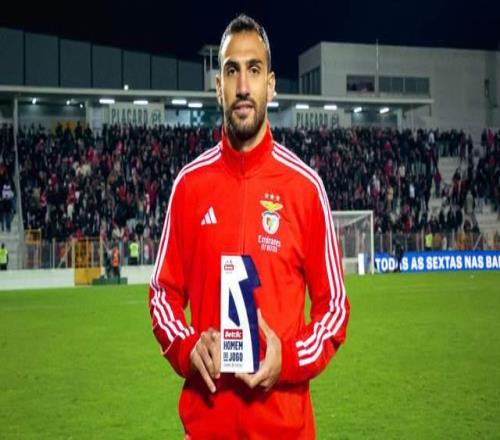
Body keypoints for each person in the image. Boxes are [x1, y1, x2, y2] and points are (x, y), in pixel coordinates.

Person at [148, 14, 350, 439]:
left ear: (271, 85)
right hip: (207, 429)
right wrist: (187, 346)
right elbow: (163, 295)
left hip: (285, 429)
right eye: (232, 71)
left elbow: (333, 308)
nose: (243, 86)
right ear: (217, 86)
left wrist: (287, 359)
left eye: (254, 70)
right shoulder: (188, 186)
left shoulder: (305, 188)